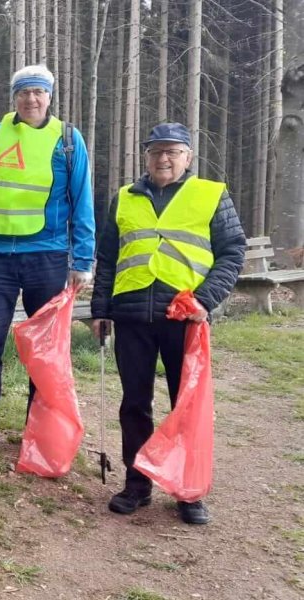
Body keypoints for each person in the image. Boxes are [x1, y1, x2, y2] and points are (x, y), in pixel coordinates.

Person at [91, 122, 245, 525]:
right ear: (146, 156)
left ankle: (187, 490)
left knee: (187, 407)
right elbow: (107, 258)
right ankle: (137, 483)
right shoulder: (124, 198)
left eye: (173, 151)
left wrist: (205, 300)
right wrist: (100, 309)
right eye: (156, 151)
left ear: (188, 158)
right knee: (135, 404)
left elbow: (232, 253)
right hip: (131, 315)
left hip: (185, 318)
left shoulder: (211, 195)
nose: (164, 158)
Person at [0, 64, 95, 463]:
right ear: (14, 96)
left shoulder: (68, 141)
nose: (31, 99)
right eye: (24, 92)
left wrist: (82, 259)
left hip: (47, 256)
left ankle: (40, 428)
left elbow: (82, 202)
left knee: (43, 351)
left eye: (39, 92)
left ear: (50, 96)